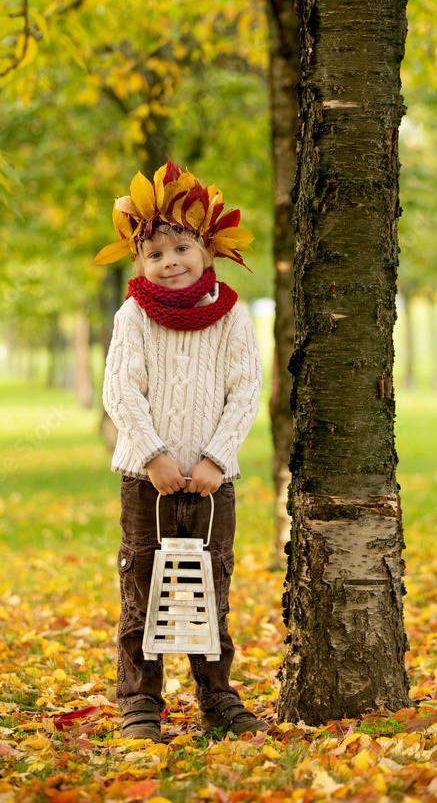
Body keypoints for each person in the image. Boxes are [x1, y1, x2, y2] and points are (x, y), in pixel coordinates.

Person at [94, 159, 268, 743]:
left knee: (208, 590)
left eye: (181, 247)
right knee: (145, 586)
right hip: (151, 482)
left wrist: (218, 458)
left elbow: (245, 391)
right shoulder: (134, 315)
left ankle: (217, 694)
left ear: (208, 249)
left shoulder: (233, 317)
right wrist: (152, 456)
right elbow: (121, 388)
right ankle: (139, 700)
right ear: (140, 262)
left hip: (213, 483)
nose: (169, 262)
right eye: (155, 253)